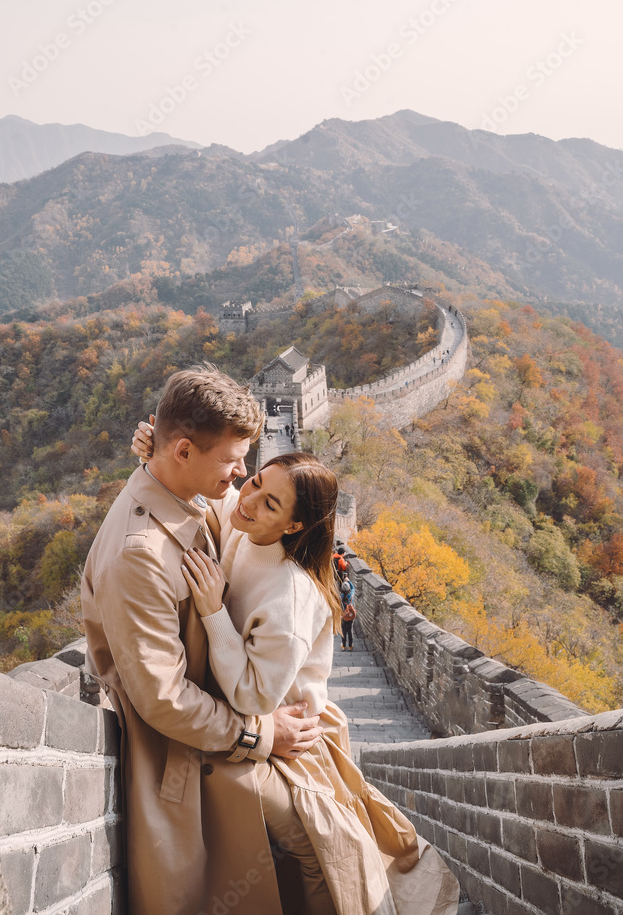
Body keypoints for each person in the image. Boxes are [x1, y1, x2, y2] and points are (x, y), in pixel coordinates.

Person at [134, 427, 460, 915]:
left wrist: (212, 612)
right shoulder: (247, 525)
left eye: (270, 504)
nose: (249, 501)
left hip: (291, 739)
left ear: (292, 527)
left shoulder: (289, 595)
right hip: (264, 726)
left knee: (321, 850)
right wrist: (158, 454)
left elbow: (253, 697)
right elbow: (211, 496)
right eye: (256, 482)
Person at [82, 366, 324, 915]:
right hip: (188, 758)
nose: (243, 475)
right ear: (186, 451)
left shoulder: (189, 488)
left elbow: (234, 510)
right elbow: (164, 699)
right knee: (318, 844)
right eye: (234, 461)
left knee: (324, 837)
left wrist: (154, 454)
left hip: (221, 724)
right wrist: (262, 734)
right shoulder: (138, 555)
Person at [340, 579, 356, 651]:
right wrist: (348, 580)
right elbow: (353, 588)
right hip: (350, 616)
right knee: (350, 631)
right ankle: (350, 646)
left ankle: (343, 645)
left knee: (343, 631)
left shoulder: (341, 597)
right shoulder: (351, 595)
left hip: (343, 616)